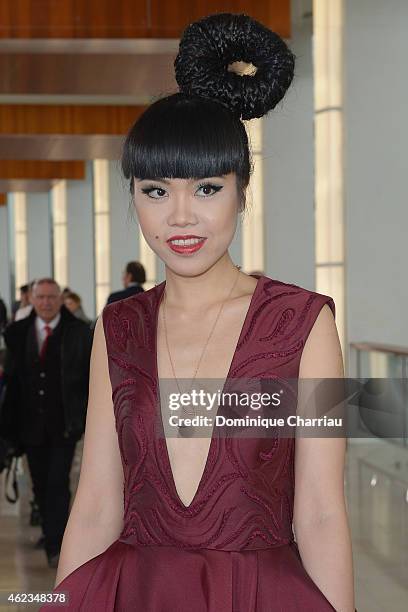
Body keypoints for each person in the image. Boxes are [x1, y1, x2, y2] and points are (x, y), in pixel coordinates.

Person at [40, 13, 356, 612]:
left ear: (242, 189)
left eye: (206, 188)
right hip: (134, 592)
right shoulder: (119, 327)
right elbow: (99, 502)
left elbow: (319, 509)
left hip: (260, 593)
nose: (180, 217)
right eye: (156, 191)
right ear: (133, 196)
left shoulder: (305, 323)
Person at [0, 278, 93, 568]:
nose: (46, 303)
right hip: (29, 426)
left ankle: (58, 544)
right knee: (40, 484)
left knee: (57, 482)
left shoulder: (78, 333)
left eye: (51, 297)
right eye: (40, 297)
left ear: (61, 299)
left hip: (64, 424)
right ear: (32, 300)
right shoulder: (17, 333)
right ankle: (51, 531)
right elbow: (13, 383)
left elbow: (88, 378)